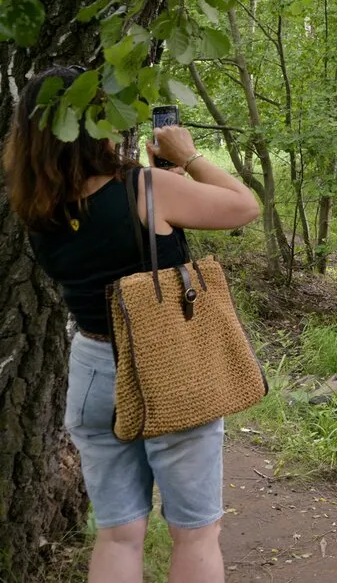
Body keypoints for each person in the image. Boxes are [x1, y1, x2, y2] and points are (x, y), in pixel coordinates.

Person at [4, 66, 261, 583]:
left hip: (95, 368)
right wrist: (185, 157)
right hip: (168, 365)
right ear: (99, 121)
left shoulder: (37, 203)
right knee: (196, 534)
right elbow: (244, 206)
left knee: (119, 533)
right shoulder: (145, 188)